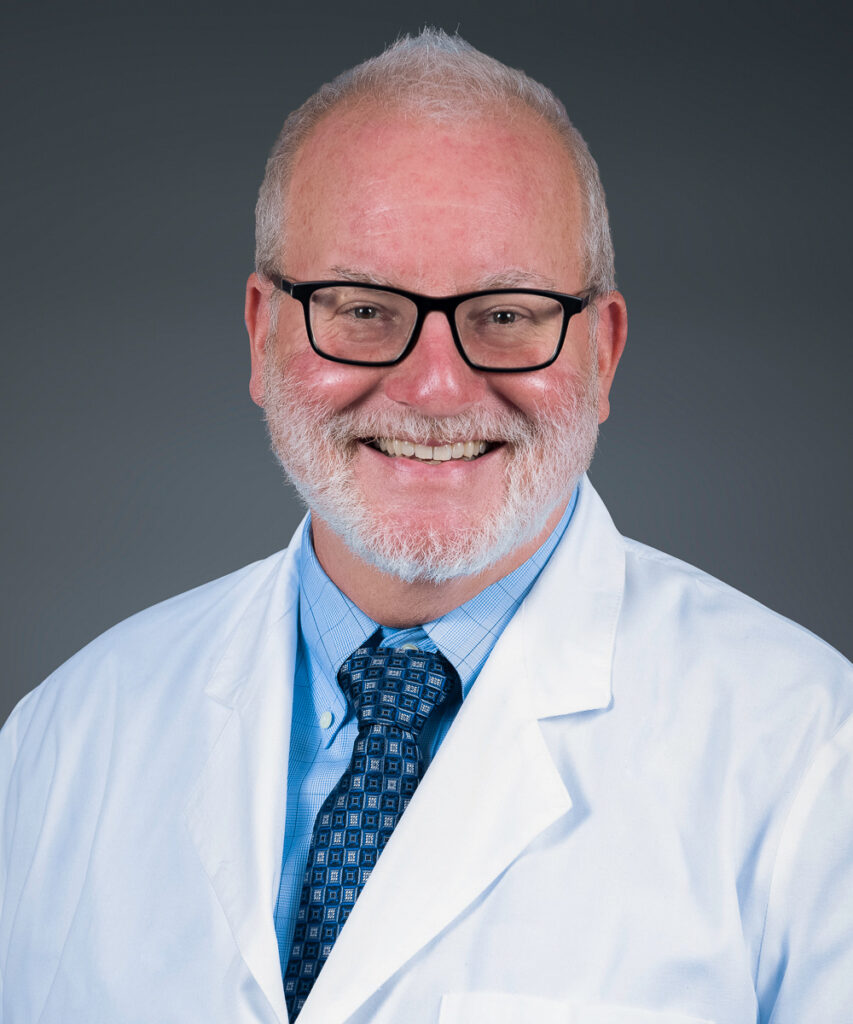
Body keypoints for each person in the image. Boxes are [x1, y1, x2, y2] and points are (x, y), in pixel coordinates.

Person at [1, 28, 851, 1024]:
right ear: (262, 333)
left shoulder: (809, 758)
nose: (435, 387)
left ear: (602, 353)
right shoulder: (64, 741)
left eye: (506, 312)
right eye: (362, 308)